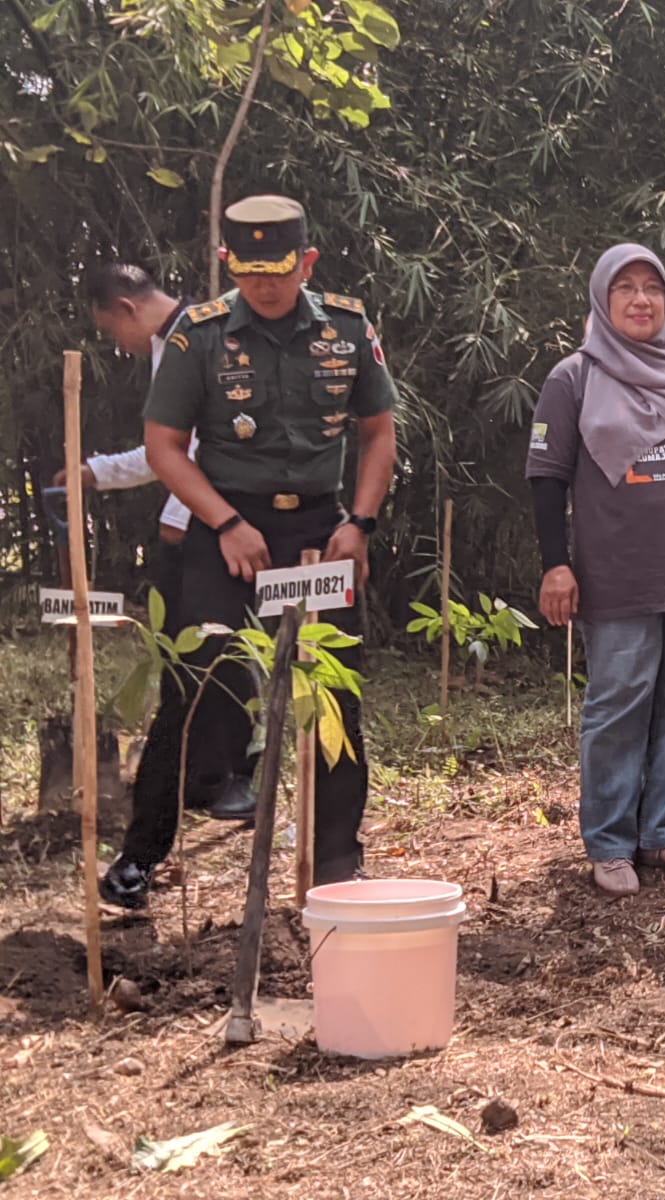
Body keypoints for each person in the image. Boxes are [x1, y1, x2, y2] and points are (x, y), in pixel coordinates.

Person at [99, 195, 398, 908]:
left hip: (321, 534)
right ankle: (141, 857)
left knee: (331, 695)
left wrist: (358, 523)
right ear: (229, 263)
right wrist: (228, 522)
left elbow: (378, 433)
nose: (267, 286)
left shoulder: (349, 329)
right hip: (226, 530)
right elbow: (163, 449)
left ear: (308, 262)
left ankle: (336, 869)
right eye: (252, 270)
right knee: (199, 690)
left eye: (282, 270)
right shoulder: (196, 338)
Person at [526, 243, 665, 898]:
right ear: (603, 299)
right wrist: (555, 565)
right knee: (619, 698)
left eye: (652, 287)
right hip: (616, 568)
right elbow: (546, 477)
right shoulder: (574, 378)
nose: (641, 300)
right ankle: (610, 842)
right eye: (625, 287)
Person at [67, 264, 255, 820]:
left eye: (107, 330)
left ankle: (226, 777)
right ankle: (206, 777)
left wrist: (201, 518)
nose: (113, 344)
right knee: (194, 657)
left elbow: (188, 454)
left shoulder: (193, 340)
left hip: (212, 526)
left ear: (125, 307)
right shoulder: (174, 340)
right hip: (197, 526)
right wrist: (94, 472)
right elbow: (164, 450)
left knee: (212, 657)